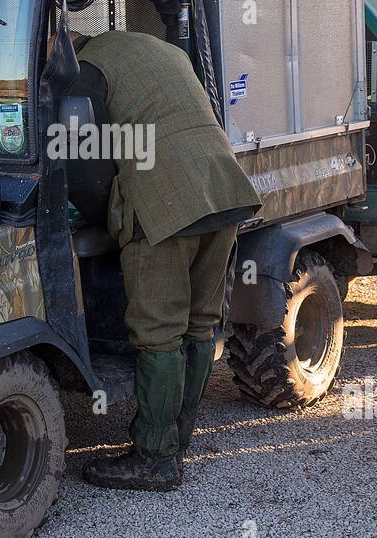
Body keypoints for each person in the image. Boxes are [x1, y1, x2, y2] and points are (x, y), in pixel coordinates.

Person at [69, 26, 261, 491]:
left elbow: (85, 165)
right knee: (197, 324)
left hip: (166, 203)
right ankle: (177, 440)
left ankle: (155, 458)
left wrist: (104, 217)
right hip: (224, 191)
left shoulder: (83, 72)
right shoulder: (158, 50)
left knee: (158, 332)